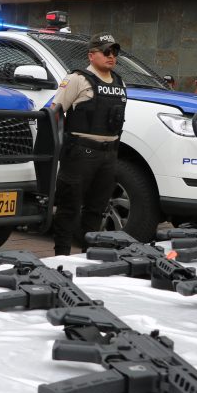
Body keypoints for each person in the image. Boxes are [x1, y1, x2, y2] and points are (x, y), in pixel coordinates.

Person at [50, 32, 127, 256]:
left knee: (97, 209)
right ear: (91, 55)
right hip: (80, 154)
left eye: (114, 52)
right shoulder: (77, 79)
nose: (111, 56)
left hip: (108, 155)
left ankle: (88, 255)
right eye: (106, 52)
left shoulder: (119, 82)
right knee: (69, 208)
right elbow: (55, 112)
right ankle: (61, 257)